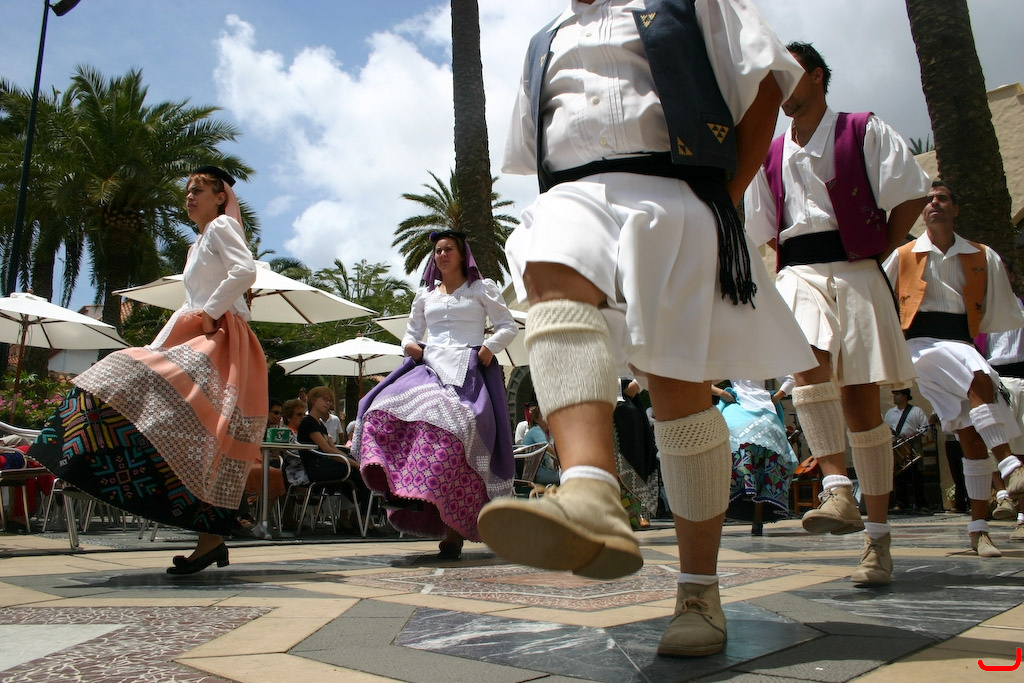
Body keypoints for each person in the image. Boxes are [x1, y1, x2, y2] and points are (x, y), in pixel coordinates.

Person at [479, 0, 816, 658]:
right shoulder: (544, 39)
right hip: (572, 195)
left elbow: (764, 84)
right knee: (546, 262)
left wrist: (724, 200)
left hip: (676, 194)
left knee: (679, 394)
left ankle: (698, 591)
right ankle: (590, 491)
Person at [743, 41, 930, 587]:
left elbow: (910, 193)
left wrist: (877, 248)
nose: (779, 84)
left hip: (858, 269)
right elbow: (765, 229)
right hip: (799, 271)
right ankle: (836, 487)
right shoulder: (771, 153)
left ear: (818, 76)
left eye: (789, 72)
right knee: (806, 358)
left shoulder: (862, 129)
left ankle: (877, 539)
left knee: (862, 406)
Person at [30, 166, 267, 574]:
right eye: (187, 190)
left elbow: (245, 271)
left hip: (221, 336)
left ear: (220, 197)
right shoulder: (197, 244)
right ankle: (209, 539)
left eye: (198, 190)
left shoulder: (221, 226)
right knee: (195, 433)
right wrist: (161, 345)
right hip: (201, 333)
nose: (189, 196)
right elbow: (191, 301)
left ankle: (87, 460)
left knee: (137, 386)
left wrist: (210, 312)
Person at [354, 230, 518, 560]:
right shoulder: (425, 295)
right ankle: (398, 484)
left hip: (469, 370)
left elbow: (508, 326)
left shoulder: (481, 288)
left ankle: (455, 529)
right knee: (378, 408)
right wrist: (410, 345)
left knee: (457, 432)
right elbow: (410, 334)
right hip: (429, 368)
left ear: (462, 254)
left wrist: (489, 347)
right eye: (438, 250)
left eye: (448, 249)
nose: (442, 255)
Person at [883, 180, 1024, 557]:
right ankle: (1010, 465)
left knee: (971, 438)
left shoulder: (981, 255)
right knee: (977, 374)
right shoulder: (904, 255)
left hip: (960, 342)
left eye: (942, 198)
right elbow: (878, 296)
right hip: (920, 345)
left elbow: (1000, 308)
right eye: (929, 200)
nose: (934, 204)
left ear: (955, 208)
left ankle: (979, 530)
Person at [713, 380, 798, 536]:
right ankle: (757, 519)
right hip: (766, 412)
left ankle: (720, 511)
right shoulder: (766, 363)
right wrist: (776, 397)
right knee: (767, 462)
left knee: (724, 451)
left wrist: (722, 393)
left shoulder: (727, 363)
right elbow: (790, 379)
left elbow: (701, 381)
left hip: (738, 411)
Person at [976, 257, 1024, 523]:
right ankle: (1003, 494)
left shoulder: (1021, 308)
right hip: (995, 378)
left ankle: (1022, 512)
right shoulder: (981, 313)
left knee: (1021, 444)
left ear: (1012, 278)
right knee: (993, 442)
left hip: (1022, 377)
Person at [883, 388, 932, 512]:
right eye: (894, 394)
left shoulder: (916, 411)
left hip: (913, 445)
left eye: (897, 394)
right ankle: (901, 503)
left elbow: (925, 428)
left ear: (905, 396)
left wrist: (913, 435)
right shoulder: (890, 413)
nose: (894, 397)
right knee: (899, 476)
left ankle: (921, 504)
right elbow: (886, 429)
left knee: (917, 475)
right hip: (898, 446)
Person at [520, 405, 559, 486]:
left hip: (532, 472)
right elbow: (546, 447)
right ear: (536, 419)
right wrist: (560, 461)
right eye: (544, 416)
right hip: (534, 473)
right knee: (566, 476)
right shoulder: (536, 430)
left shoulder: (538, 431)